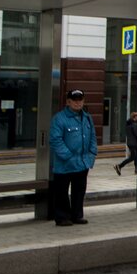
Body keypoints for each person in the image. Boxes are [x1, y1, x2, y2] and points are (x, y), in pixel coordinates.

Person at [49, 89, 97, 226]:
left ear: (83, 101)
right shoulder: (59, 118)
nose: (77, 103)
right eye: (74, 100)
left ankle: (77, 215)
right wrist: (68, 156)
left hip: (82, 162)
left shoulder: (87, 117)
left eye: (80, 100)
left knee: (79, 191)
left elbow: (93, 137)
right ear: (68, 102)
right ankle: (62, 217)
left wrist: (92, 155)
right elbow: (55, 140)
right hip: (64, 164)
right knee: (62, 192)